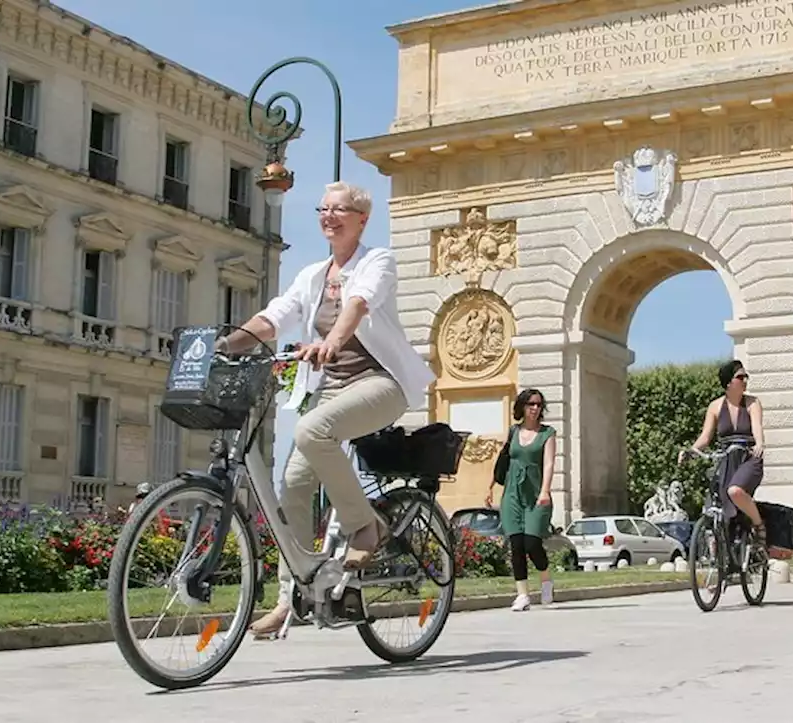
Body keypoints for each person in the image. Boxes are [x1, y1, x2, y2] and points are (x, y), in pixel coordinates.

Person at [214, 181, 435, 638]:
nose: (329, 216)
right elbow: (275, 317)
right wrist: (225, 343)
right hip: (329, 387)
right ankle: (289, 599)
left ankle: (365, 528)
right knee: (291, 488)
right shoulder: (313, 275)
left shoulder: (378, 261)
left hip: (378, 383)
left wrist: (332, 341)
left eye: (340, 209)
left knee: (312, 431)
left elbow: (359, 302)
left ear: (361, 219)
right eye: (323, 208)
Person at [679, 360, 767, 547]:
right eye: (740, 377)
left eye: (746, 376)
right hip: (726, 458)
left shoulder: (752, 403)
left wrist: (759, 444)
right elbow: (705, 437)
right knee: (718, 504)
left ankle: (759, 525)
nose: (745, 380)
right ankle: (726, 557)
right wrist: (691, 451)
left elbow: (757, 427)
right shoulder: (715, 406)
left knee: (735, 491)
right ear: (728, 382)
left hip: (748, 457)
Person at [484, 388, 557, 612]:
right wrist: (490, 488)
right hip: (512, 494)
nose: (535, 408)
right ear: (522, 407)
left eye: (538, 404)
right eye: (531, 404)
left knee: (532, 544)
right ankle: (522, 595)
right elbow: (503, 461)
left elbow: (549, 464)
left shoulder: (548, 433)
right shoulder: (513, 431)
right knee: (516, 544)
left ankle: (546, 583)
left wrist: (545, 491)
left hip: (536, 494)